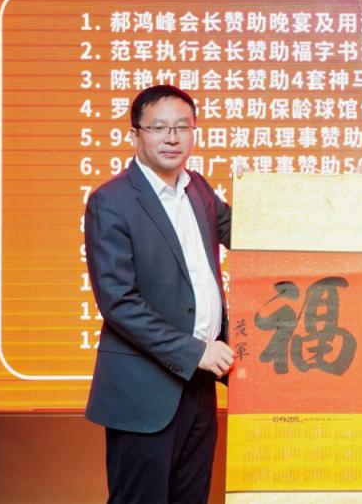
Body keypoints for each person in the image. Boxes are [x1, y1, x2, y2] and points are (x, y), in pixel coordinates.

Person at [84, 84, 236, 504]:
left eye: (182, 127)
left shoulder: (198, 189)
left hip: (200, 385)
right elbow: (119, 302)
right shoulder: (111, 201)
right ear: (135, 134)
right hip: (144, 391)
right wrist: (194, 351)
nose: (172, 138)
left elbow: (248, 231)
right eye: (159, 128)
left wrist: (340, 203)